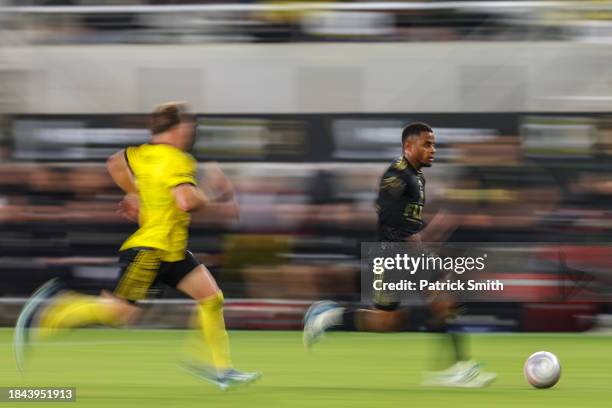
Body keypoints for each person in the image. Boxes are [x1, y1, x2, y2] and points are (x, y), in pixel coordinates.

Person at [14, 102, 260, 390]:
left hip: (171, 250)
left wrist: (134, 193)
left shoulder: (140, 154)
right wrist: (215, 192)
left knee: (211, 298)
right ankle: (52, 308)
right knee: (119, 314)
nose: (191, 132)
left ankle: (220, 369)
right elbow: (187, 201)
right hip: (152, 250)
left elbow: (115, 162)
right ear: (178, 128)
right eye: (189, 126)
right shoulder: (178, 160)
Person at [303, 122, 496, 387]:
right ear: (408, 146)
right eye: (426, 144)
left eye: (434, 144)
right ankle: (457, 369)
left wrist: (431, 231)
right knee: (441, 300)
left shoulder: (416, 177)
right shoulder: (397, 176)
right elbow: (392, 220)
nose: (432, 150)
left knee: (387, 321)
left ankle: (328, 317)